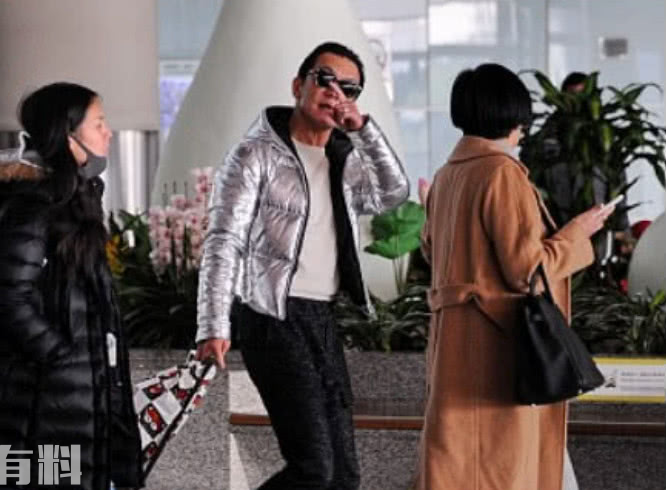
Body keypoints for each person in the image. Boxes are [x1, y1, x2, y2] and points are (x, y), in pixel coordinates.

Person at [195, 41, 409, 489]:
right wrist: (213, 325)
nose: (334, 92)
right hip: (271, 317)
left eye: (348, 88)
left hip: (321, 317)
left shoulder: (344, 160)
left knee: (344, 476)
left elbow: (392, 194)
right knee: (314, 468)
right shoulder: (255, 154)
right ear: (298, 86)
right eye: (324, 79)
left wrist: (364, 131)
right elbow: (223, 239)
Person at [411, 63, 613, 490]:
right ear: (509, 116)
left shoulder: (448, 176)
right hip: (497, 352)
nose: (524, 129)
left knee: (463, 468)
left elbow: (432, 252)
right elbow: (527, 271)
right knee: (501, 470)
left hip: (454, 353)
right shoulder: (501, 173)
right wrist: (578, 233)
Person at [0, 82, 143, 490]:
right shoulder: (32, 206)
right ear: (67, 135)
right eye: (98, 123)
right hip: (35, 406)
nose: (108, 132)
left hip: (67, 402)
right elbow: (9, 298)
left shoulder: (73, 200)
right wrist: (59, 355)